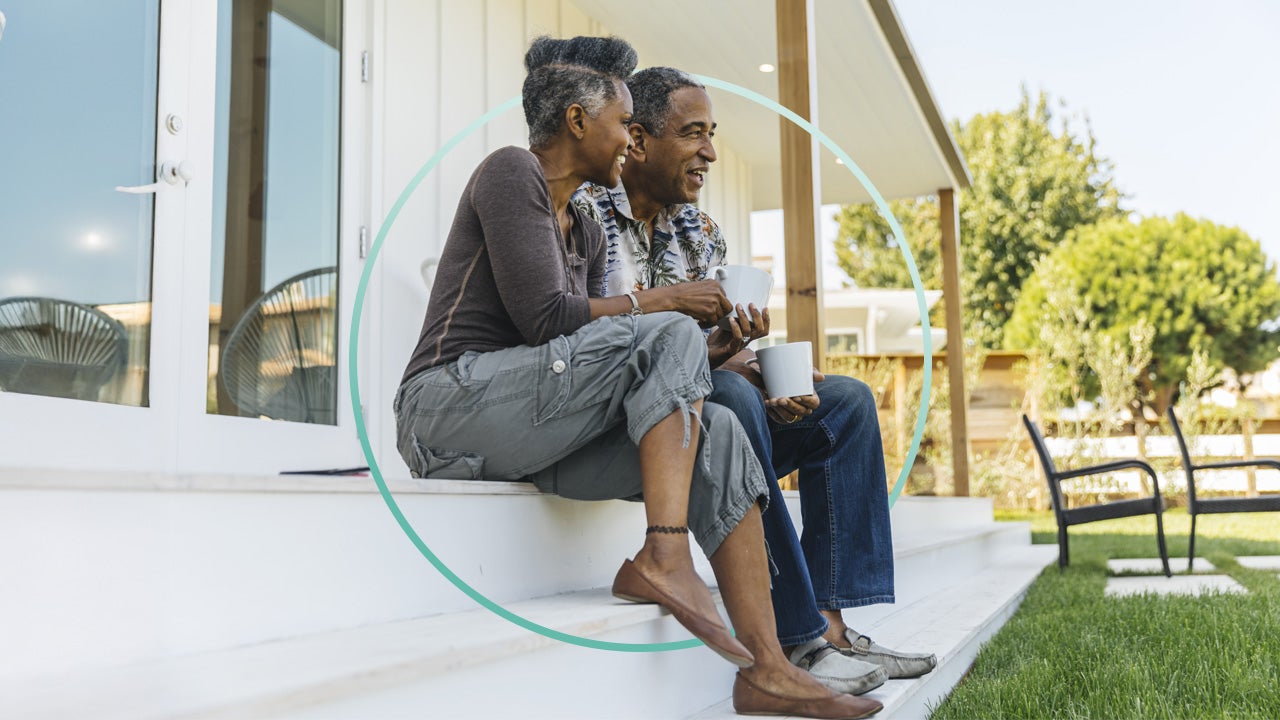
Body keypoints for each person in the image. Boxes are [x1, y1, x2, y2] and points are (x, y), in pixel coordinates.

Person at [396, 36, 881, 719]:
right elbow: (546, 319)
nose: (630, 140)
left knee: (717, 433)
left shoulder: (585, 233)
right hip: (446, 409)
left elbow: (605, 352)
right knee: (672, 329)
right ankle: (664, 554)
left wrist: (709, 346)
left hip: (535, 430)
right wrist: (673, 303)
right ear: (575, 121)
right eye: (625, 123)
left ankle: (768, 668)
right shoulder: (512, 173)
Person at [573, 66, 938, 696]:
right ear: (637, 139)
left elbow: (714, 356)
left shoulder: (700, 229)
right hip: (633, 426)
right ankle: (794, 635)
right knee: (736, 398)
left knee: (844, 402)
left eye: (712, 135)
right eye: (693, 134)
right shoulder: (584, 216)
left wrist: (758, 364)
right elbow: (584, 347)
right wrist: (728, 369)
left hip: (710, 403)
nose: (710, 152)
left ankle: (831, 624)